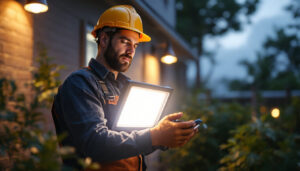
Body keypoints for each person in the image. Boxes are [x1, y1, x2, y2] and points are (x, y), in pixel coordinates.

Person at [51, 5, 197, 171]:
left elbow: (131, 142)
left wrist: (165, 137)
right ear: (104, 39)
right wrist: (153, 136)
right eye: (125, 42)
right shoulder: (80, 83)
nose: (131, 51)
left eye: (135, 45)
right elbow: (95, 144)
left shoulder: (125, 86)